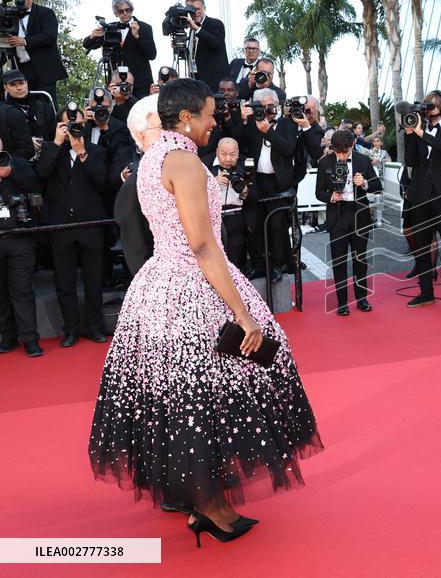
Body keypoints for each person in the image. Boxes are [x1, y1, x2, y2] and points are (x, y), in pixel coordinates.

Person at [89, 78, 321, 544]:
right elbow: (200, 244)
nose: (217, 122)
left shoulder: (151, 157)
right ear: (188, 116)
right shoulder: (184, 162)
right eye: (211, 114)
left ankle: (201, 496)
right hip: (192, 287)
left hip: (157, 287)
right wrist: (244, 314)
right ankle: (210, 504)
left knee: (178, 396)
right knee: (213, 391)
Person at [36, 107, 110, 347]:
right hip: (60, 226)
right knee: (64, 282)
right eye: (68, 125)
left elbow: (102, 180)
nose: (73, 129)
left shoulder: (96, 151)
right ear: (59, 126)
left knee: (94, 279)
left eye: (77, 124)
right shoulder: (51, 150)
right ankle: (71, 330)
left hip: (91, 224)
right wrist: (56, 142)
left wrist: (82, 154)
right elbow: (41, 174)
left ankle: (95, 327)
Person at [403, 90, 441, 309]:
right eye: (426, 105)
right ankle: (426, 292)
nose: (428, 109)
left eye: (433, 105)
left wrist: (422, 134)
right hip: (420, 195)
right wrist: (410, 133)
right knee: (421, 246)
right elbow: (410, 160)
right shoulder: (416, 127)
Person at [316, 129, 381, 315]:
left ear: (352, 145)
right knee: (339, 261)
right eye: (338, 152)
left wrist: (365, 183)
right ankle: (342, 302)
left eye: (345, 152)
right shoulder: (325, 163)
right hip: (337, 215)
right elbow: (318, 191)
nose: (342, 156)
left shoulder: (363, 160)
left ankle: (362, 298)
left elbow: (377, 187)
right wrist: (331, 196)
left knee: (360, 259)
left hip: (359, 214)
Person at [241, 88, 298, 280]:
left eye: (270, 106)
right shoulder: (251, 124)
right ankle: (259, 264)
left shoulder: (287, 124)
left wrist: (269, 132)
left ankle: (277, 264)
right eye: (262, 106)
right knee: (255, 224)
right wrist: (242, 118)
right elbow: (239, 140)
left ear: (277, 105)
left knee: (277, 226)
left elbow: (289, 149)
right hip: (257, 181)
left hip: (278, 183)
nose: (266, 110)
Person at [0, 147, 44, 357]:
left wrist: (11, 173)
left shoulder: (18, 162)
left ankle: (30, 340)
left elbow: (36, 186)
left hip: (20, 238)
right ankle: (7, 338)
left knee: (22, 291)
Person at [115, 94, 160, 275]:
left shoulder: (186, 167)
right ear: (141, 135)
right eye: (161, 127)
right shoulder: (135, 183)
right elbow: (136, 248)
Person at [3, 0, 67, 104]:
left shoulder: (45, 12)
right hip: (21, 67)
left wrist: (25, 41)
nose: (19, 1)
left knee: (45, 104)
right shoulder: (10, 15)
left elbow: (50, 37)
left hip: (44, 67)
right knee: (26, 104)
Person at [84, 0, 156, 98]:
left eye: (127, 10)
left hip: (140, 83)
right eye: (121, 11)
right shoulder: (110, 27)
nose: (125, 13)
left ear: (132, 9)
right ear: (116, 13)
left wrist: (137, 37)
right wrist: (92, 36)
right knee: (118, 113)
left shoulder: (144, 27)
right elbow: (86, 45)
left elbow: (152, 55)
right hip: (115, 83)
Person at [203, 137, 252, 270]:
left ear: (238, 153)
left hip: (237, 216)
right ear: (217, 152)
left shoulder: (246, 165)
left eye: (232, 154)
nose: (228, 159)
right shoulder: (204, 164)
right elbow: (192, 190)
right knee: (215, 260)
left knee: (236, 259)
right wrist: (212, 182)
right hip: (212, 217)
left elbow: (255, 195)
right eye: (224, 154)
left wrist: (244, 188)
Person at [178, 0, 229, 90]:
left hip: (214, 80)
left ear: (204, 8)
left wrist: (197, 28)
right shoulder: (191, 28)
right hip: (195, 76)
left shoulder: (215, 23)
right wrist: (180, 48)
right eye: (191, 10)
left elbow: (216, 43)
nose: (195, 12)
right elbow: (194, 53)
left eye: (198, 9)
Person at [1, 70, 49, 157]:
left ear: (26, 83)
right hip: (19, 162)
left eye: (21, 83)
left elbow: (54, 135)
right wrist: (27, 141)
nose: (19, 88)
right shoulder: (3, 112)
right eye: (13, 85)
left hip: (47, 158)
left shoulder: (45, 108)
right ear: (5, 87)